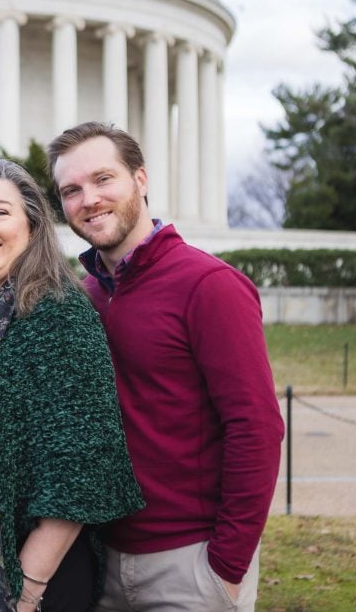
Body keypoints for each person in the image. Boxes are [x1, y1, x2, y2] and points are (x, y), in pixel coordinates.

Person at [47, 121, 285, 612]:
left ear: (141, 179)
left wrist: (227, 566)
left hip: (191, 564)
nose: (88, 199)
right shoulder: (83, 297)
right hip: (102, 559)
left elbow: (256, 427)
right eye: (71, 190)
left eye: (102, 179)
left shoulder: (210, 285)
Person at [0, 159, 144, 612]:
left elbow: (80, 470)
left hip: (37, 580)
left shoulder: (59, 315)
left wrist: (28, 589)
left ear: (32, 227)